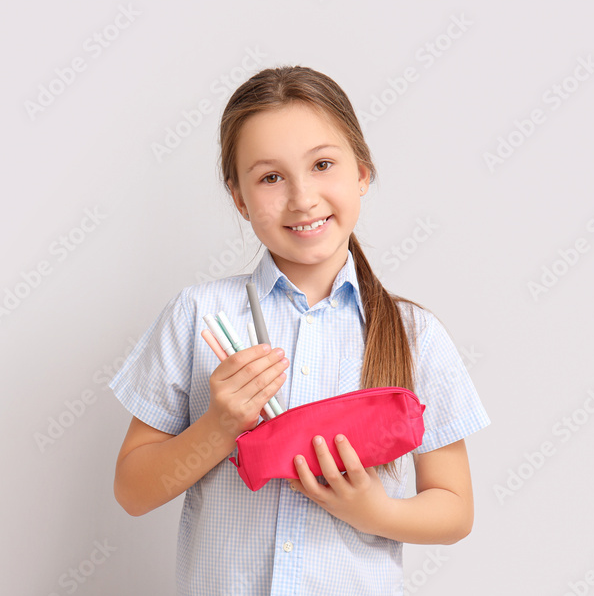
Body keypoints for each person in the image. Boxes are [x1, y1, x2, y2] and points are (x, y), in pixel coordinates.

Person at [108, 65, 491, 595]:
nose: (302, 197)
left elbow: (454, 509)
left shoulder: (414, 335)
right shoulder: (197, 316)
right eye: (270, 177)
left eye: (323, 165)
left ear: (361, 172)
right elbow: (133, 491)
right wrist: (218, 428)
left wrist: (373, 511)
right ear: (239, 198)